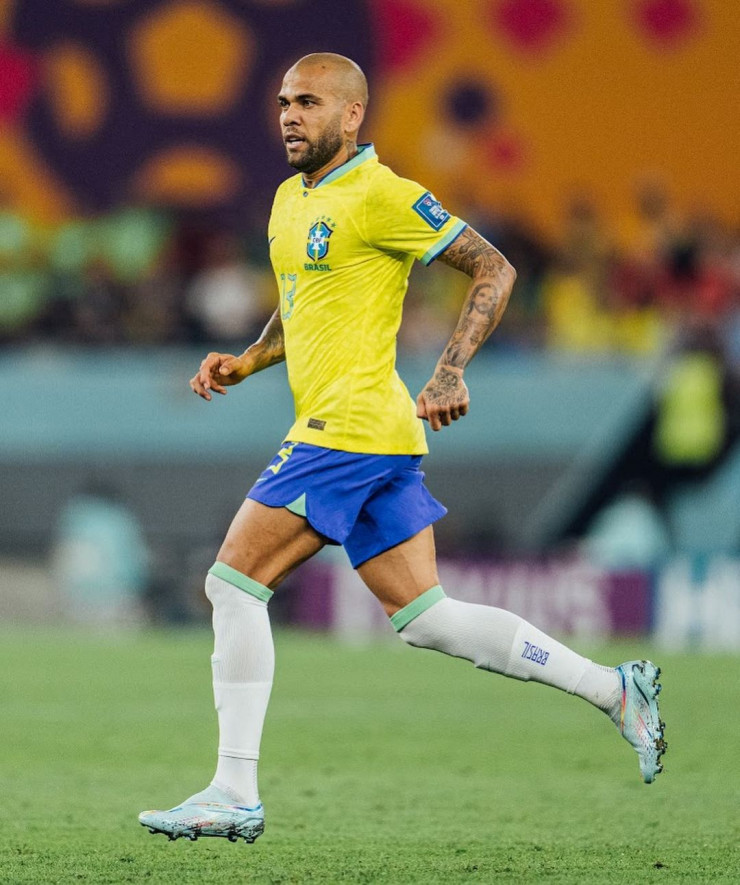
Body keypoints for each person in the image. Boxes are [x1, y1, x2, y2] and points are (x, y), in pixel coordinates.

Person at [139, 53, 666, 844]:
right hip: (372, 436)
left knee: (232, 584)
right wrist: (248, 359)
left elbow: (493, 267)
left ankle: (233, 790)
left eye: (308, 102)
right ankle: (615, 689)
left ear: (352, 114)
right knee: (427, 618)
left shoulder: (383, 194)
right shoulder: (289, 200)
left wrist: (449, 369)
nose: (289, 116)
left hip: (348, 428)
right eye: (282, 102)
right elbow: (301, 302)